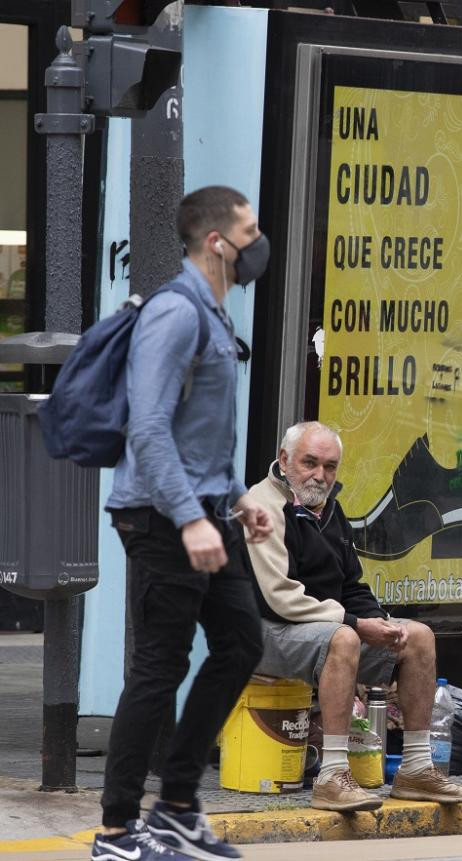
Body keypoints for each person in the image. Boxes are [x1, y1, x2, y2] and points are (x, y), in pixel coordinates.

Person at [95, 186, 273, 861]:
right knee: (160, 665)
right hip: (161, 516)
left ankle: (174, 807)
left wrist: (234, 498)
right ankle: (115, 829)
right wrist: (190, 517)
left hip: (205, 509)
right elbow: (148, 427)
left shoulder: (215, 313)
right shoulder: (175, 313)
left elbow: (204, 434)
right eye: (250, 230)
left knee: (239, 643)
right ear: (216, 242)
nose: (260, 242)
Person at [247, 421, 462, 810]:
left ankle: (416, 768)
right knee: (345, 638)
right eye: (310, 463)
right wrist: (356, 624)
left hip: (320, 629)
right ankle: (332, 776)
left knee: (418, 636)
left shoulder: (328, 510)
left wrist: (382, 624)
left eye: (330, 466)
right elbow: (279, 598)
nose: (320, 475)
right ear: (284, 460)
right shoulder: (259, 507)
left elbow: (351, 585)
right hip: (264, 631)